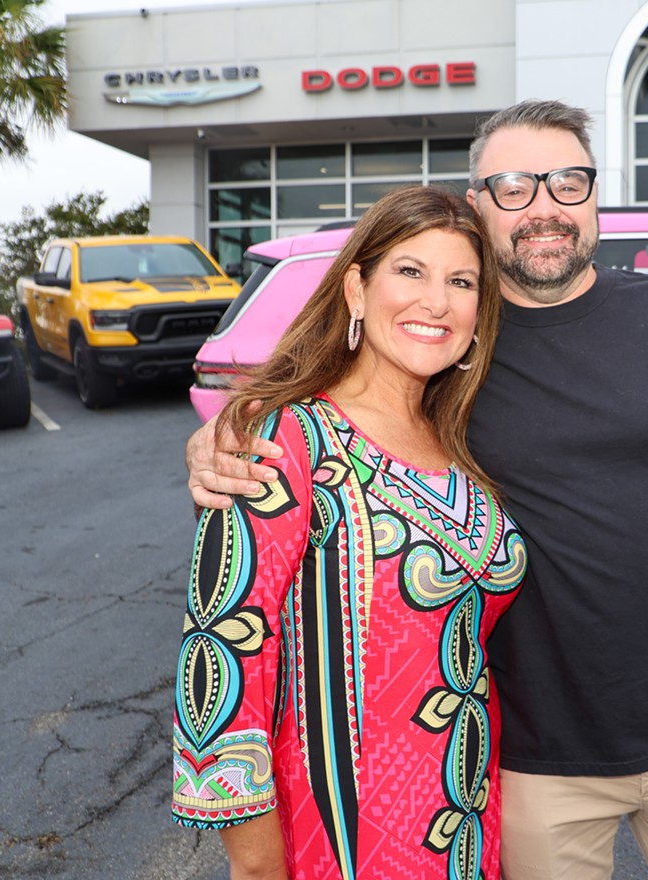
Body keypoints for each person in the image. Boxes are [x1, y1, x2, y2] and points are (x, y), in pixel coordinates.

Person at [187, 99, 648, 880]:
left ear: (596, 198)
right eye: (513, 186)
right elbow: (326, 414)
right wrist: (225, 433)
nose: (544, 207)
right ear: (479, 205)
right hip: (529, 765)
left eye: (567, 182)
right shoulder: (447, 357)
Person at [171, 186, 527, 880]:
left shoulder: (459, 441)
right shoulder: (285, 439)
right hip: (343, 833)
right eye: (410, 271)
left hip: (465, 821)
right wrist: (257, 867)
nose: (435, 302)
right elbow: (218, 658)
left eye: (460, 282)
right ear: (356, 289)